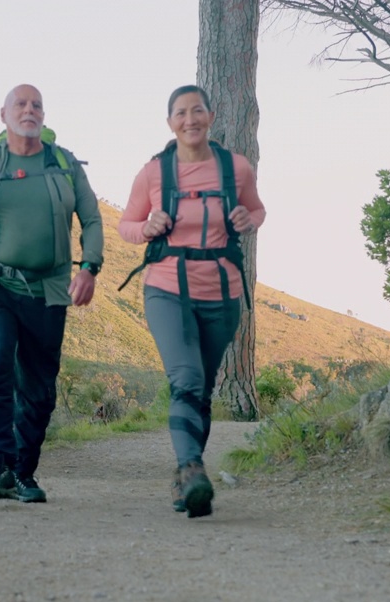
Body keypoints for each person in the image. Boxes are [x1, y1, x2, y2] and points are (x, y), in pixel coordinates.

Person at [0, 84, 104, 504]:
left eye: (36, 105)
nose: (29, 110)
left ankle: (22, 472)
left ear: (43, 116)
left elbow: (91, 219)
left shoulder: (64, 165)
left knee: (39, 387)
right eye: (20, 104)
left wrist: (88, 268)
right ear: (3, 114)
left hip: (48, 289)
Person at [117, 85, 266, 518]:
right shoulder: (153, 173)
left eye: (197, 110)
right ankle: (191, 468)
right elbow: (126, 223)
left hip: (223, 292)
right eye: (180, 113)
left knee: (202, 388)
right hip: (166, 287)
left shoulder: (235, 169)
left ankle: (186, 479)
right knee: (185, 377)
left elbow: (258, 210)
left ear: (210, 116)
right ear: (170, 123)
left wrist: (247, 219)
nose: (190, 119)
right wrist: (147, 228)